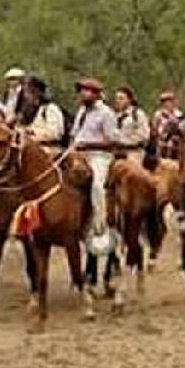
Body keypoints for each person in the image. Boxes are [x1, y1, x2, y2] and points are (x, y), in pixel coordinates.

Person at [71, 78, 119, 258]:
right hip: (78, 153)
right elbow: (75, 134)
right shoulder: (81, 111)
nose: (82, 94)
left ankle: (101, 224)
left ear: (96, 94)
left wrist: (87, 144)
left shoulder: (106, 113)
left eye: (86, 91)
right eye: (82, 90)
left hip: (99, 156)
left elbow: (113, 141)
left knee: (98, 185)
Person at [19, 75, 67, 154]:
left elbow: (55, 133)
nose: (25, 96)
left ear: (36, 92)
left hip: (50, 151)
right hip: (33, 149)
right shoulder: (29, 111)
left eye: (27, 92)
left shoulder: (50, 109)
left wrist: (32, 132)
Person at [114, 86, 150, 163]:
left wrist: (128, 142)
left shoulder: (138, 114)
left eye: (121, 98)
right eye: (117, 98)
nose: (118, 101)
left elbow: (144, 135)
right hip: (118, 153)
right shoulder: (116, 116)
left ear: (129, 100)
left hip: (134, 153)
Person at [151, 91, 185, 160]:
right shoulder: (158, 114)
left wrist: (179, 129)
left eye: (170, 101)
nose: (168, 104)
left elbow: (183, 129)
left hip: (177, 145)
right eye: (165, 102)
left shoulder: (179, 114)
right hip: (163, 144)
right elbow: (154, 130)